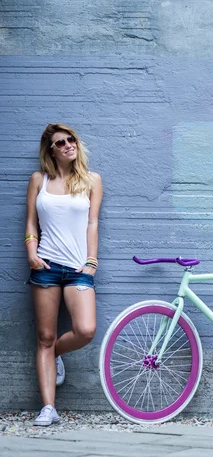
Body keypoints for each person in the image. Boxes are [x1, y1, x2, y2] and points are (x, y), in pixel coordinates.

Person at [25, 123, 103, 426]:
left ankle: (53, 354)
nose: (68, 145)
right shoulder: (38, 180)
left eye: (71, 139)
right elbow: (31, 222)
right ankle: (48, 408)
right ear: (51, 150)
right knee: (44, 337)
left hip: (77, 268)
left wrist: (91, 261)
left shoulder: (92, 180)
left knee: (85, 330)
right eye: (61, 142)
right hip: (45, 267)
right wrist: (32, 252)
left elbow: (92, 224)